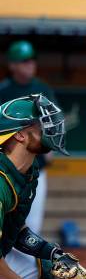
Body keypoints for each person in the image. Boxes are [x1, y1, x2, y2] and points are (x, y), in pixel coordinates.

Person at [0, 94, 86, 279]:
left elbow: (15, 231)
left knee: (59, 274)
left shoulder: (28, 171)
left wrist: (52, 252)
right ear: (20, 135)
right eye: (40, 124)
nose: (51, 127)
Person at [0, 40, 56, 235]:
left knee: (32, 228)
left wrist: (50, 148)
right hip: (6, 168)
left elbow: (53, 121)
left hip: (36, 168)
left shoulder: (43, 89)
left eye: (32, 60)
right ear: (12, 65)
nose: (30, 64)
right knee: (5, 225)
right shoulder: (3, 90)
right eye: (24, 60)